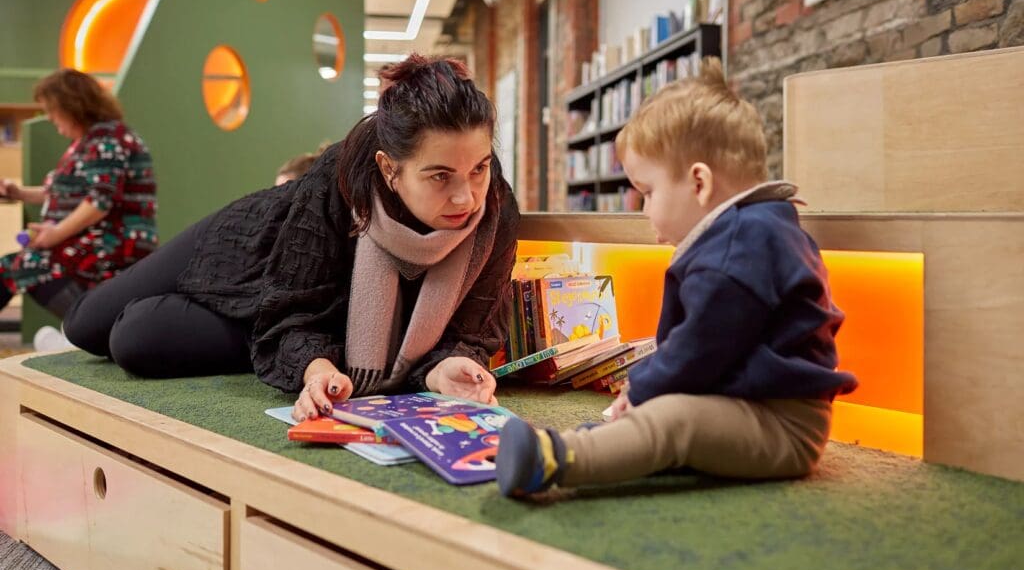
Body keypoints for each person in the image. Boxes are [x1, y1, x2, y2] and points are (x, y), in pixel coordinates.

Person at [63, 55, 519, 421]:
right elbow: (294, 300)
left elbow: (468, 332)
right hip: (248, 252)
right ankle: (267, 342)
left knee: (135, 339)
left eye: (478, 168)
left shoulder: (495, 209)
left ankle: (267, 346)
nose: (467, 197)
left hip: (307, 317)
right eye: (440, 176)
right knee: (84, 326)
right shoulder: (338, 177)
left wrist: (444, 370)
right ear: (389, 169)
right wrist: (312, 360)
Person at [495, 58, 858, 497]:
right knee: (660, 415)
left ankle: (554, 459)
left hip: (781, 426)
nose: (644, 210)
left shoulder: (739, 245)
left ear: (699, 183)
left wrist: (644, 387)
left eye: (647, 192)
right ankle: (610, 443)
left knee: (673, 424)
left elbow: (700, 347)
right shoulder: (749, 233)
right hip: (744, 404)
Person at [0, 69, 157, 322]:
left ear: (73, 105)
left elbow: (99, 202)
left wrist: (56, 234)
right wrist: (18, 193)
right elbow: (63, 193)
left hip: (113, 242)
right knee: (15, 266)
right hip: (94, 240)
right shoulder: (88, 141)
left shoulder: (107, 139)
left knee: (25, 265)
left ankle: (92, 327)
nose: (50, 117)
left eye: (52, 110)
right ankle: (86, 329)